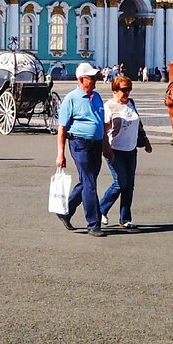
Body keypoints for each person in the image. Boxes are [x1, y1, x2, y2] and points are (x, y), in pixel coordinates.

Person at [56, 62, 112, 236]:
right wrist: (61, 154)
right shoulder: (71, 99)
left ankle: (65, 211)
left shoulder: (96, 97)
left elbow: (101, 123)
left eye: (95, 77)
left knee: (87, 181)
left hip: (95, 144)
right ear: (81, 79)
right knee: (90, 182)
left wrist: (106, 147)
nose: (95, 80)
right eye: (91, 78)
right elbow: (62, 128)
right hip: (79, 144)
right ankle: (93, 224)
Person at [99, 75, 152, 230]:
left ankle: (125, 218)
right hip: (114, 150)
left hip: (131, 150)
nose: (127, 93)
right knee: (120, 183)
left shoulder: (131, 103)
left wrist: (146, 141)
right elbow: (103, 129)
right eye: (124, 90)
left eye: (129, 89)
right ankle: (100, 209)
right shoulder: (108, 106)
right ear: (115, 90)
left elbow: (139, 125)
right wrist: (105, 149)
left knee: (129, 185)